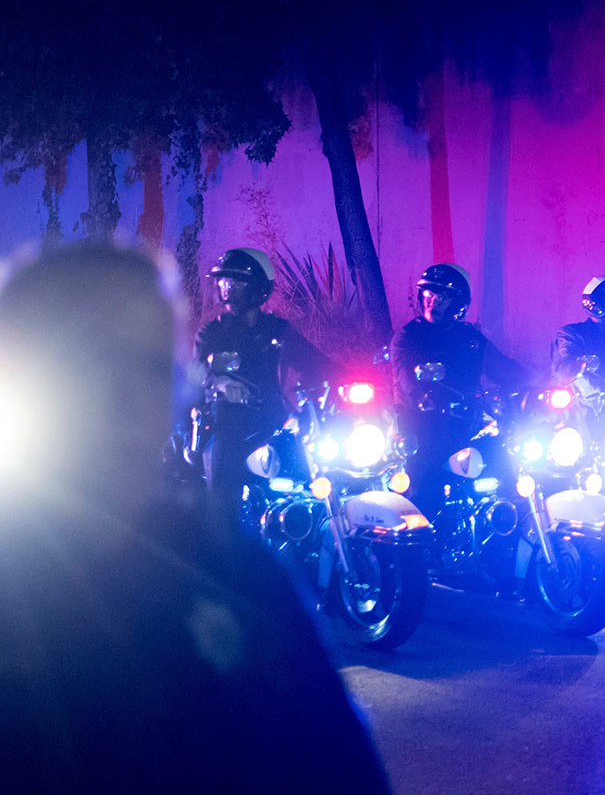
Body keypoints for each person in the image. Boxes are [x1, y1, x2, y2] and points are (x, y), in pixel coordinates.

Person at [0, 244, 390, 793]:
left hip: (275, 431)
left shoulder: (246, 579)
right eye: (84, 364)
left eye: (150, 368)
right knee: (223, 484)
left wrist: (361, 379)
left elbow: (339, 768)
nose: (122, 400)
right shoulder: (215, 335)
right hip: (230, 433)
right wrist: (218, 387)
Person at [193, 247, 333, 532]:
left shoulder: (277, 330)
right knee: (222, 502)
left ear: (256, 286)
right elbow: (199, 370)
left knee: (314, 478)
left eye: (234, 281)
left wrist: (356, 376)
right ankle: (222, 560)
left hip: (273, 421)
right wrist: (220, 382)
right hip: (228, 425)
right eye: (222, 281)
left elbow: (314, 362)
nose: (225, 287)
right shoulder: (212, 332)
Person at [390, 263, 526, 513]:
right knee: (423, 492)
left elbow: (502, 368)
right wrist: (421, 396)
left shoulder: (469, 337)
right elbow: (405, 376)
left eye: (440, 297)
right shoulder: (409, 336)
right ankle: (424, 544)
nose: (432, 302)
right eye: (428, 295)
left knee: (511, 475)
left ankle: (509, 528)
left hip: (470, 424)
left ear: (458, 303)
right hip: (425, 427)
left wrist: (536, 381)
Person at [551, 274, 605, 391]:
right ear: (597, 303)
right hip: (578, 406)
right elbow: (564, 373)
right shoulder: (570, 334)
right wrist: (581, 364)